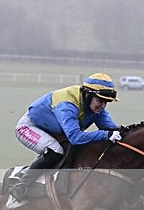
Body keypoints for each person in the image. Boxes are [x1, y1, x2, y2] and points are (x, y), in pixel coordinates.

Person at [9, 72, 123, 202]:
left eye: (106, 102)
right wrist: (105, 135)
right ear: (88, 95)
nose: (103, 106)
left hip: (56, 131)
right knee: (55, 151)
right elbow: (75, 137)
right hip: (30, 127)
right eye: (100, 101)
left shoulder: (97, 109)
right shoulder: (68, 104)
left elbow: (113, 130)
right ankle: (21, 186)